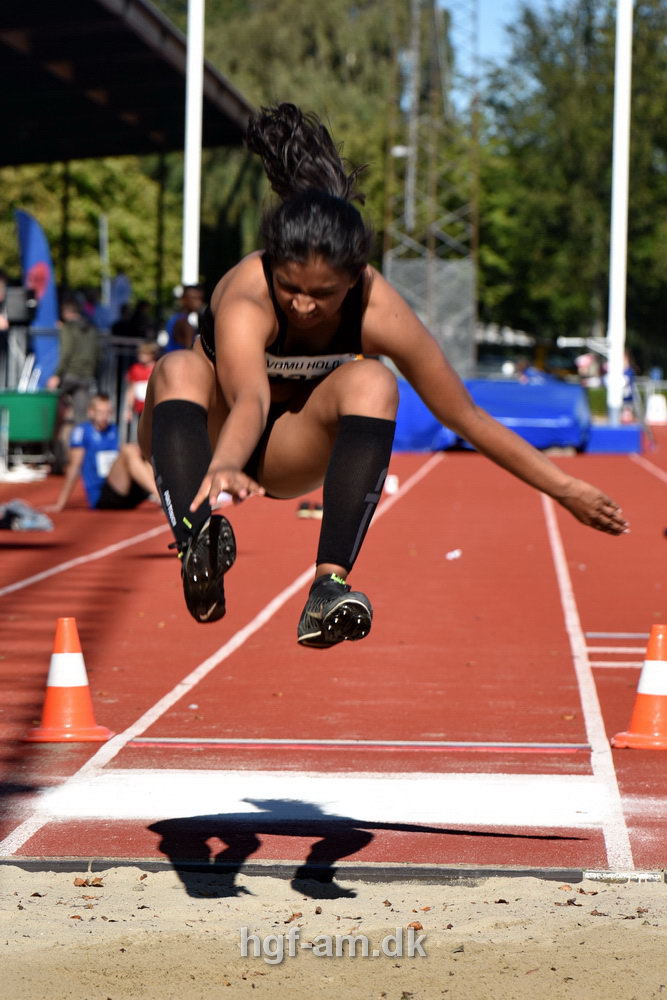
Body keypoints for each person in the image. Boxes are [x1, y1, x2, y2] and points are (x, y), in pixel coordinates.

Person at [139, 103, 628, 646]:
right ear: (273, 264)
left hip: (288, 450)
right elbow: (250, 397)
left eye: (322, 295)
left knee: (375, 381)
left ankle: (328, 590)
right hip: (205, 440)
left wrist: (565, 489)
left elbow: (463, 415)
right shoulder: (246, 297)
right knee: (178, 366)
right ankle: (196, 545)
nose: (302, 306)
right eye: (290, 288)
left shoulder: (378, 309)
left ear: (355, 278)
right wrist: (226, 462)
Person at [46, 393, 156, 513]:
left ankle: (166, 494)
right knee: (128, 450)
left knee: (140, 450)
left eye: (107, 412)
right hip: (102, 495)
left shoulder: (114, 429)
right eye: (100, 412)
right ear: (91, 412)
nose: (104, 416)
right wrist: (60, 504)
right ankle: (159, 495)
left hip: (124, 489)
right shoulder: (82, 432)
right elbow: (74, 467)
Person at [46, 295, 102, 424]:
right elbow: (98, 354)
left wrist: (57, 375)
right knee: (81, 417)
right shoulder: (92, 329)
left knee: (49, 404)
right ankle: (78, 442)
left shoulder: (68, 328)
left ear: (65, 312)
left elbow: (66, 352)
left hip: (69, 374)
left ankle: (49, 441)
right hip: (86, 375)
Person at [124, 340, 159, 439]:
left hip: (154, 407)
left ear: (151, 355)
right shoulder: (135, 369)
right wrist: (128, 408)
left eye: (144, 354)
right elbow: (131, 389)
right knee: (143, 432)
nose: (141, 356)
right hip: (140, 408)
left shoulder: (157, 368)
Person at [160, 286, 205, 352]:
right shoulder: (184, 323)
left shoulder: (175, 318)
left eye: (200, 298)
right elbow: (189, 351)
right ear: (184, 299)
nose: (199, 302)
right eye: (194, 298)